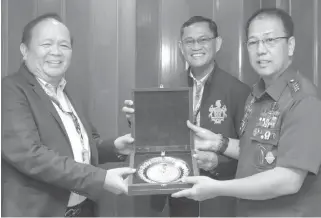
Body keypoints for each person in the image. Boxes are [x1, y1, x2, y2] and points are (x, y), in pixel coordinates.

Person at [171, 8, 321, 217]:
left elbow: (289, 180)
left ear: (291, 45)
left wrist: (216, 188)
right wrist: (217, 142)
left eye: (270, 40)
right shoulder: (256, 95)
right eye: (253, 42)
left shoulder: (303, 100)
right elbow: (253, 151)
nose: (261, 50)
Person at [1, 13, 135, 217]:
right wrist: (100, 179)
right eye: (46, 44)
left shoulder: (67, 93)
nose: (56, 52)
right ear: (24, 50)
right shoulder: (10, 90)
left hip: (82, 210)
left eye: (64, 45)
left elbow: (82, 147)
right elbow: (31, 155)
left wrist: (116, 147)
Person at [123, 16, 250, 217]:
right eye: (189, 41)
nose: (196, 46)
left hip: (220, 198)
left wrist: (217, 162)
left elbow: (252, 153)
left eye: (203, 40)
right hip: (180, 195)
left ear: (217, 43)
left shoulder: (239, 92)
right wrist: (139, 122)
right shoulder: (170, 88)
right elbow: (161, 139)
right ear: (181, 47)